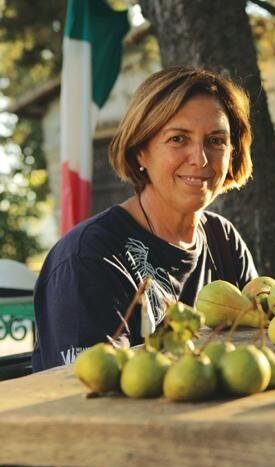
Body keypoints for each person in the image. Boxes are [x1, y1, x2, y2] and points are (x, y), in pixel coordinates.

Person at [31, 67, 258, 371]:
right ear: (140, 151)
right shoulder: (89, 257)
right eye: (178, 139)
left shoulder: (223, 239)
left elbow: (257, 347)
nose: (200, 158)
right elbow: (89, 386)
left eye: (216, 140)